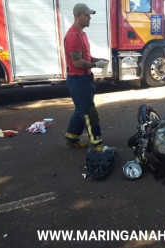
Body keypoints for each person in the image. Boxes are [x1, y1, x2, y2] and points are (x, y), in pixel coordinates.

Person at [64, 3, 110, 152]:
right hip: (78, 81)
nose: (90, 18)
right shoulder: (73, 36)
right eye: (87, 15)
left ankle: (71, 137)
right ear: (78, 15)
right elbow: (77, 62)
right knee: (89, 112)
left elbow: (87, 57)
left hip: (84, 79)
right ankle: (97, 143)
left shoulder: (82, 34)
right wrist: (96, 66)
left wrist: (98, 60)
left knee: (81, 109)